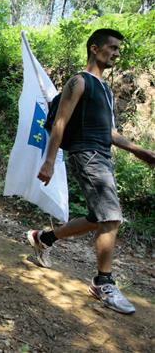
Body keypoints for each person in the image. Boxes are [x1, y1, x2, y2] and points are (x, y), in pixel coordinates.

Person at [28, 29, 155, 315]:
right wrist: (49, 161)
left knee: (98, 217)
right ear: (94, 49)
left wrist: (139, 150)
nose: (116, 53)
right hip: (86, 155)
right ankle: (103, 283)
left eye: (118, 49)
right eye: (111, 47)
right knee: (111, 216)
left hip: (102, 155)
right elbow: (60, 123)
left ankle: (44, 238)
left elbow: (110, 132)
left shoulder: (106, 90)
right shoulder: (79, 81)